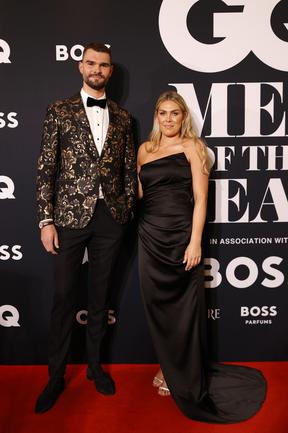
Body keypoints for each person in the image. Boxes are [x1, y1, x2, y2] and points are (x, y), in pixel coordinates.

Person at [137, 91, 266, 423]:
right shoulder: (144, 150)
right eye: (162, 113)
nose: (168, 119)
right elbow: (139, 195)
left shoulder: (194, 147)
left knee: (185, 310)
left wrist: (195, 242)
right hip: (149, 237)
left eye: (174, 113)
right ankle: (169, 368)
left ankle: (184, 375)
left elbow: (200, 197)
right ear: (156, 116)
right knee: (158, 309)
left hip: (181, 236)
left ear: (184, 117)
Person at [35, 42, 137, 414]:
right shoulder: (58, 110)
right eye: (91, 63)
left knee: (100, 298)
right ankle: (56, 376)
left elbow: (128, 170)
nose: (97, 69)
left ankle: (95, 368)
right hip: (69, 219)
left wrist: (125, 209)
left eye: (104, 65)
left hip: (111, 219)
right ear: (80, 67)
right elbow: (46, 167)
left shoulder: (124, 118)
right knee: (64, 299)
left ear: (110, 71)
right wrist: (46, 220)